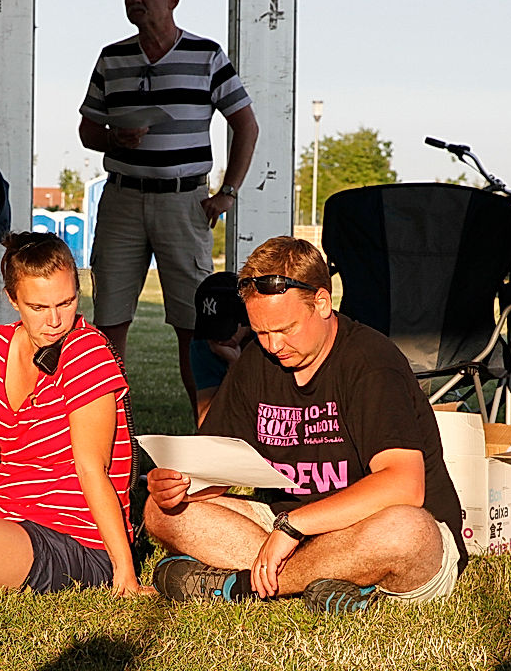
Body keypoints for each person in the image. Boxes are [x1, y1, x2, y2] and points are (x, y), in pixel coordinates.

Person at [143, 237, 467, 614]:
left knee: (405, 531)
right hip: (287, 529)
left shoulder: (372, 363)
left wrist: (293, 527)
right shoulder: (256, 361)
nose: (273, 345)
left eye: (285, 329)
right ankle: (329, 583)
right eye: (260, 332)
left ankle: (242, 586)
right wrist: (178, 485)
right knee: (160, 511)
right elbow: (214, 466)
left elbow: (404, 485)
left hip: (373, 527)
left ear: (323, 303)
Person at [78, 0, 259, 411]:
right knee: (109, 324)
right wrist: (112, 137)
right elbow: (87, 130)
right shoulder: (111, 58)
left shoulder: (206, 55)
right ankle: (112, 440)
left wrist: (227, 192)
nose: (135, 0)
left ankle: (204, 436)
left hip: (185, 202)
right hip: (121, 199)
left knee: (196, 327)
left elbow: (246, 124)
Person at [0, 232, 142, 597]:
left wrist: (124, 571)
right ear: (12, 299)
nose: (55, 320)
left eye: (66, 303)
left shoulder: (87, 352)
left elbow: (92, 469)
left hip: (75, 537)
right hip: (3, 519)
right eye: (39, 307)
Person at [189, 271, 253, 424]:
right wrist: (233, 366)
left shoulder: (271, 345)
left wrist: (238, 368)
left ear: (246, 320)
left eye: (225, 331)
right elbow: (207, 423)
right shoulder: (204, 344)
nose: (218, 340)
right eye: (211, 330)